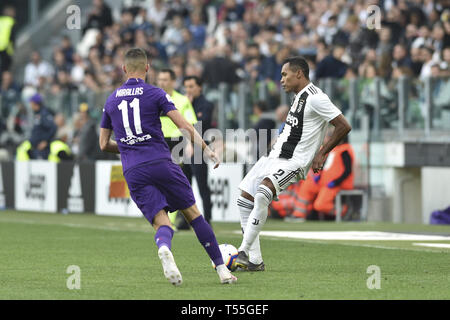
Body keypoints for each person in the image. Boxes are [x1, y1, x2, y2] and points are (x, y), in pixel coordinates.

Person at [99, 47, 237, 286]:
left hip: (133, 169)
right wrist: (206, 148)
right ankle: (223, 270)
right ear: (147, 68)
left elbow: (103, 144)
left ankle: (164, 247)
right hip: (161, 161)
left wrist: (130, 146)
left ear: (124, 69)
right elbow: (183, 123)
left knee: (161, 222)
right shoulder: (155, 93)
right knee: (193, 214)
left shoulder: (111, 100)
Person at [235, 56, 351, 271]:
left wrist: (321, 153)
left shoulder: (316, 97)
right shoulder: (299, 97)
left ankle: (242, 250)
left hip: (294, 161)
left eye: (284, 74)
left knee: (262, 193)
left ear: (299, 74)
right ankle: (255, 260)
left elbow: (343, 125)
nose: (281, 80)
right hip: (273, 157)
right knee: (244, 199)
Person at [157, 68, 197, 230]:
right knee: (159, 182)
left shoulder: (182, 101)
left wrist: (189, 144)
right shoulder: (152, 99)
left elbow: (190, 124)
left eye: (165, 79)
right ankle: (165, 217)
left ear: (173, 82)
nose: (162, 83)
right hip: (157, 143)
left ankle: (170, 220)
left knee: (172, 182)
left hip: (176, 143)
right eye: (160, 79)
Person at [183, 75, 214, 224]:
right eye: (186, 87)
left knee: (202, 186)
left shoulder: (206, 104)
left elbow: (201, 125)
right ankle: (185, 220)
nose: (188, 90)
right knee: (184, 186)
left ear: (199, 87)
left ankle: (207, 219)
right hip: (183, 149)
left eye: (191, 86)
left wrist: (188, 108)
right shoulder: (182, 104)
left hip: (199, 149)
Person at [28, 93, 57, 159]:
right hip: (36, 147)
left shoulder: (44, 114)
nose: (30, 105)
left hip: (42, 150)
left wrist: (45, 141)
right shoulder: (37, 114)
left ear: (35, 103)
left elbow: (53, 128)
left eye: (31, 103)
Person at [0, 5, 16, 74]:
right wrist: (13, 48)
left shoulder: (1, 20)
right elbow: (12, 37)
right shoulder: (10, 21)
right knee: (5, 68)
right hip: (5, 47)